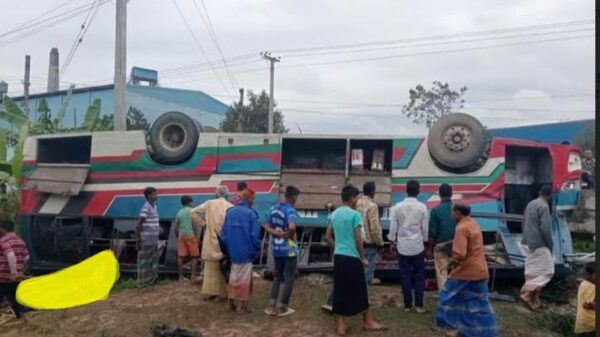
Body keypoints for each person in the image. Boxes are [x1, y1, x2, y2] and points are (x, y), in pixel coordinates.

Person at [325, 184, 386, 336]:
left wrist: (338, 245)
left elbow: (328, 237)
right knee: (361, 289)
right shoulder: (355, 215)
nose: (358, 200)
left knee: (339, 288)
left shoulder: (334, 214)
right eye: (357, 197)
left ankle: (340, 326)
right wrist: (363, 257)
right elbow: (358, 239)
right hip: (352, 257)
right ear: (352, 198)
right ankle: (367, 321)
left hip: (338, 256)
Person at [435, 203, 499, 337]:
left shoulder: (461, 227)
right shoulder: (473, 223)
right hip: (481, 271)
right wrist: (446, 244)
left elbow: (460, 254)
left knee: (447, 297)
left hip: (466, 273)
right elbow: (466, 241)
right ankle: (487, 332)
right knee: (479, 305)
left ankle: (449, 327)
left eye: (452, 212)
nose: (451, 215)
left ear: (458, 212)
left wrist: (448, 266)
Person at [387, 179, 428, 313]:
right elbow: (425, 228)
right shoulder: (422, 207)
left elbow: (393, 227)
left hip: (402, 247)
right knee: (419, 276)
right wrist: (426, 242)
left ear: (406, 190)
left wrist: (392, 241)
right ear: (418, 191)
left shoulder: (397, 207)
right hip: (417, 247)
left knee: (405, 276)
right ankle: (419, 305)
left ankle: (407, 305)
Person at [220, 188, 262, 313]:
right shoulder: (251, 214)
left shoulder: (231, 212)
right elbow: (255, 236)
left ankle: (229, 303)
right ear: (249, 199)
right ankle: (241, 306)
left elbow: (224, 235)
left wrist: (230, 248)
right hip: (247, 252)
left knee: (233, 277)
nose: (254, 201)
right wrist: (257, 249)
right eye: (253, 199)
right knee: (244, 279)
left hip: (233, 252)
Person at [264, 186, 300, 317]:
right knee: (289, 277)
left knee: (277, 276)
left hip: (276, 248)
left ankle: (271, 306)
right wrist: (289, 236)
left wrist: (277, 235)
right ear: (293, 197)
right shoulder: (290, 210)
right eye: (296, 197)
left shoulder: (273, 209)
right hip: (289, 249)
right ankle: (283, 307)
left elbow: (266, 226)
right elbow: (291, 227)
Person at [192, 186, 233, 301]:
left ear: (216, 194)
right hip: (223, 240)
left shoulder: (209, 203)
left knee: (210, 267)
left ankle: (211, 292)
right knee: (222, 267)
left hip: (210, 239)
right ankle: (221, 293)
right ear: (227, 195)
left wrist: (203, 224)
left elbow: (193, 212)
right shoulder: (230, 206)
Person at [520, 184, 554, 311]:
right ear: (550, 195)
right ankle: (526, 293)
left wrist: (526, 237)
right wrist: (550, 245)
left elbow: (523, 222)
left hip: (530, 242)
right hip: (541, 243)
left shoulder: (531, 204)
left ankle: (535, 301)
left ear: (540, 191)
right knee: (548, 271)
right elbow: (545, 229)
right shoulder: (544, 206)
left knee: (534, 271)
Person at [428, 183, 457, 292]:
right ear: (451, 194)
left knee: (441, 273)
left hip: (441, 247)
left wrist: (430, 248)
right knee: (456, 273)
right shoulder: (458, 210)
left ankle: (444, 298)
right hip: (457, 247)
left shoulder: (435, 211)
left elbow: (432, 232)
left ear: (439, 194)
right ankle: (455, 296)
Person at [356, 181, 384, 286]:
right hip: (369, 244)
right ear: (373, 191)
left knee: (358, 273)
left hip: (358, 243)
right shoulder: (372, 206)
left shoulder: (357, 203)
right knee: (367, 275)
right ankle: (363, 300)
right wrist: (380, 243)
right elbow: (374, 228)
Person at [0, 221, 29, 319]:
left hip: (3, 277)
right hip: (16, 278)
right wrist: (20, 270)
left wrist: (13, 272)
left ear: (2, 229)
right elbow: (27, 257)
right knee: (14, 298)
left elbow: (10, 255)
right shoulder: (20, 241)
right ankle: (21, 318)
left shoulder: (3, 241)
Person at [136, 187, 160, 287]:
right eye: (154, 194)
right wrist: (138, 238)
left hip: (153, 239)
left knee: (152, 260)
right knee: (144, 261)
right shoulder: (146, 207)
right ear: (149, 196)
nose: (156, 195)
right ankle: (142, 283)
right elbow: (139, 223)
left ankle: (150, 281)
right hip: (146, 238)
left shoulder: (154, 206)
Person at [174, 195, 199, 283]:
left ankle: (180, 277)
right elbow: (194, 225)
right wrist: (196, 236)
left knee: (180, 256)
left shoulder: (179, 212)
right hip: (191, 235)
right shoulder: (192, 211)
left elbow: (175, 227)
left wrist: (178, 236)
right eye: (192, 202)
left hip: (182, 236)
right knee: (194, 256)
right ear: (189, 202)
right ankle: (193, 276)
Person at [575, 262, 596, 337]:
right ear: (589, 274)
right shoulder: (591, 286)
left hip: (584, 323)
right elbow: (586, 304)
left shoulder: (584, 284)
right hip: (591, 324)